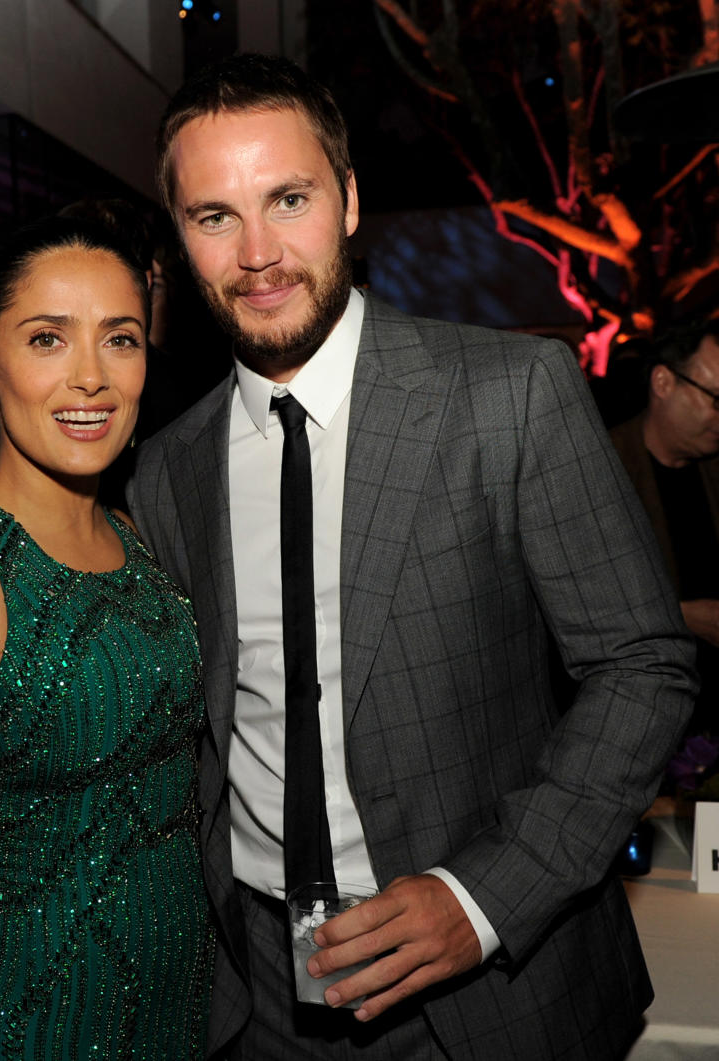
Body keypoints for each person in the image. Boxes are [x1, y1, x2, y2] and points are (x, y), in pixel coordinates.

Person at [121, 54, 697, 1059]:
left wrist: (483, 896)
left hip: (489, 998)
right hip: (257, 1001)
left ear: (347, 201)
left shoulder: (510, 393)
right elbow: (193, 732)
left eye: (287, 198)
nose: (257, 251)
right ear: (180, 239)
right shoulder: (166, 472)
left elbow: (641, 667)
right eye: (215, 216)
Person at [0, 215, 214, 1060]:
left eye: (119, 339)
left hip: (185, 1013)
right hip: (37, 1018)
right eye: (48, 338)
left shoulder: (139, 537)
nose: (90, 378)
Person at [610, 321, 719, 736]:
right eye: (716, 399)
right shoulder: (601, 471)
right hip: (643, 721)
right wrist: (681, 615)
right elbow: (569, 607)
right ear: (663, 382)